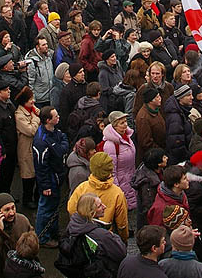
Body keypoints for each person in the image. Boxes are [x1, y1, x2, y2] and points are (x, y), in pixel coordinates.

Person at [59, 192, 128, 276]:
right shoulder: (101, 235)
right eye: (99, 206)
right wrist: (113, 236)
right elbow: (121, 253)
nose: (104, 207)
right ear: (90, 211)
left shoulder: (73, 225)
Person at [67, 151, 129, 241]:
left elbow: (71, 208)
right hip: (106, 237)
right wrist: (124, 239)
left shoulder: (82, 188)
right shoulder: (117, 193)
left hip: (82, 235)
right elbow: (122, 224)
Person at [32, 106, 68, 248]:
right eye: (56, 116)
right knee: (46, 208)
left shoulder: (54, 132)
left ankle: (53, 231)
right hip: (50, 179)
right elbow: (41, 167)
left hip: (57, 176)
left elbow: (63, 140)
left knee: (54, 207)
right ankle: (42, 237)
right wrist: (45, 185)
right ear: (48, 120)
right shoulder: (41, 141)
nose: (58, 118)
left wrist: (60, 148)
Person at [0, 193, 33, 278]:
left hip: (19, 271)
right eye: (7, 210)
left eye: (13, 208)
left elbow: (33, 242)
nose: (11, 213)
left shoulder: (23, 221)